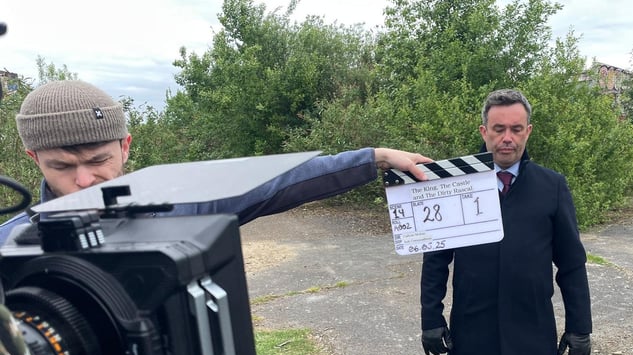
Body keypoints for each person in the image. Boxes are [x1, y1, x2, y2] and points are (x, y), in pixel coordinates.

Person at [0, 80, 432, 244]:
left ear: (127, 145)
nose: (83, 180)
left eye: (98, 160)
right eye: (60, 166)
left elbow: (281, 181)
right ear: (33, 157)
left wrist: (374, 158)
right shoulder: (9, 245)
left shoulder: (181, 203)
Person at [419, 89, 592, 355]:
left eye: (515, 128)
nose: (507, 138)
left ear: (528, 131)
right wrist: (430, 318)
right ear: (484, 131)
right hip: (473, 320)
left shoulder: (552, 186)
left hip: (530, 322)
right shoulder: (455, 184)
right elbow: (435, 260)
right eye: (499, 129)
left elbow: (572, 263)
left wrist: (580, 326)